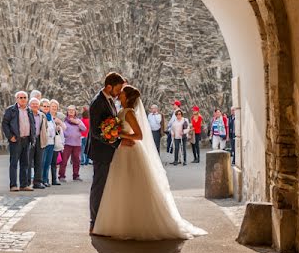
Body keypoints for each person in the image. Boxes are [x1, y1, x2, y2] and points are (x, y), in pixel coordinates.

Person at [92, 85, 206, 240]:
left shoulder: (129, 112)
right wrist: (117, 134)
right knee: (121, 185)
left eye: (123, 93)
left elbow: (139, 135)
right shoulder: (121, 110)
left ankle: (135, 223)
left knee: (133, 185)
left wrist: (122, 135)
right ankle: (122, 221)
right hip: (122, 151)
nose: (120, 94)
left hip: (131, 150)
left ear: (128, 97)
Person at [88, 72, 127, 234]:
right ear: (109, 86)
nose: (119, 93)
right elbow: (96, 132)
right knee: (98, 186)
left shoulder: (109, 100)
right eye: (117, 89)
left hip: (107, 150)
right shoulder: (98, 103)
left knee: (105, 186)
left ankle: (103, 220)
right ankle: (94, 222)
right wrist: (117, 142)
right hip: (101, 152)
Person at [1, 91, 35, 191]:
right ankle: (13, 185)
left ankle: (24, 185)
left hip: (27, 139)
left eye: (25, 97)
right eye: (21, 97)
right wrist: (10, 136)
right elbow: (5, 124)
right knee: (14, 163)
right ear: (17, 99)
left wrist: (32, 137)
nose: (23, 99)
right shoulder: (11, 110)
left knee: (25, 163)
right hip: (16, 140)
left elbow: (32, 124)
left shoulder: (29, 110)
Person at [60, 105, 87, 181]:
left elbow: (84, 129)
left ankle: (76, 175)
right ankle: (61, 176)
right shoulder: (64, 120)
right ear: (67, 112)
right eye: (69, 110)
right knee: (64, 160)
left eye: (73, 110)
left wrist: (78, 123)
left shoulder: (78, 120)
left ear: (75, 112)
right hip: (67, 143)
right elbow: (62, 131)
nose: (71, 112)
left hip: (77, 144)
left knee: (76, 160)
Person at [29, 98, 48, 189]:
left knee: (39, 162)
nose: (35, 106)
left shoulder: (42, 115)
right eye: (33, 104)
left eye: (36, 104)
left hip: (40, 140)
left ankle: (38, 182)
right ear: (30, 105)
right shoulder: (27, 114)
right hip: (29, 140)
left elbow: (46, 127)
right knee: (28, 162)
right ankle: (28, 182)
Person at [40, 102, 57, 187]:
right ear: (41, 107)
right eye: (44, 106)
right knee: (42, 162)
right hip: (44, 142)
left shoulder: (51, 117)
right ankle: (42, 180)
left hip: (51, 142)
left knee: (48, 163)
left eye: (48, 106)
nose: (46, 107)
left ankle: (46, 179)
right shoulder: (41, 116)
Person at [48, 99, 64, 185]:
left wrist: (59, 124)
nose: (54, 108)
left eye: (55, 107)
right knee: (46, 162)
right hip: (48, 141)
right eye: (52, 106)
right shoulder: (46, 115)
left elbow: (65, 128)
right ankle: (45, 180)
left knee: (54, 162)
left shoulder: (59, 116)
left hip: (56, 141)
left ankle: (54, 180)